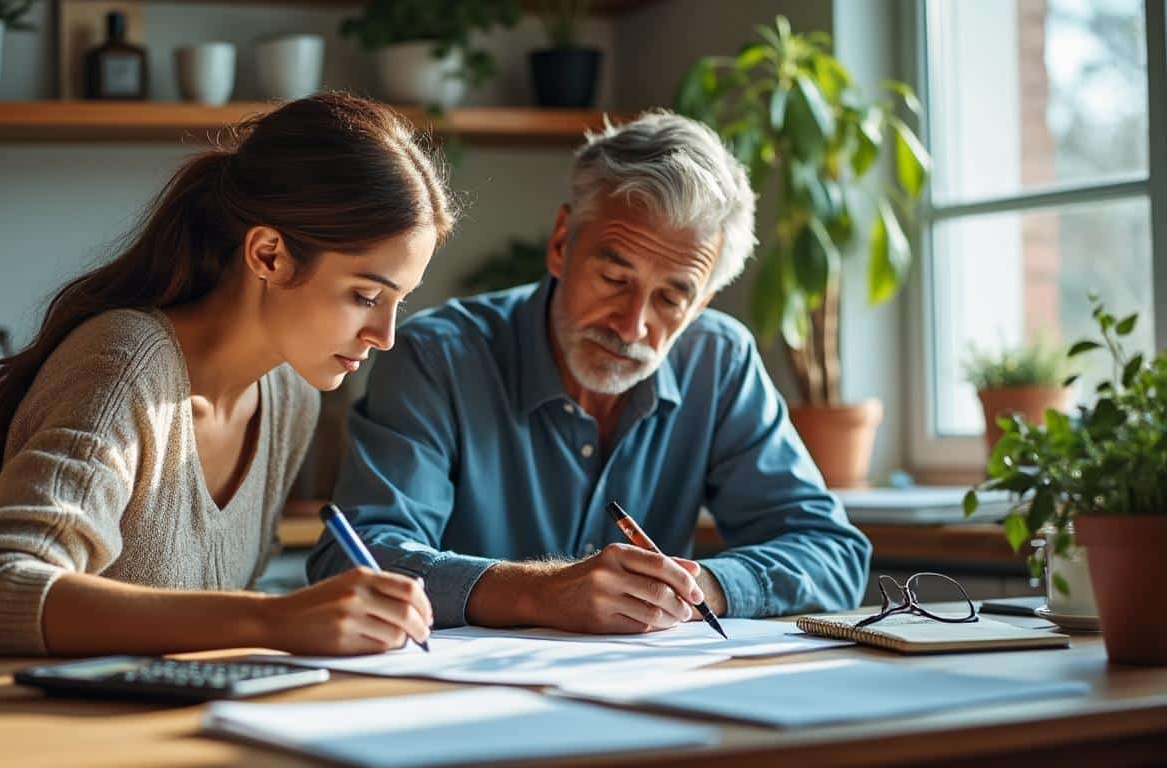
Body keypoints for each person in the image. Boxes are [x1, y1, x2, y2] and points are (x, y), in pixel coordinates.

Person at [0, 94, 448, 659]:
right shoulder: (126, 367)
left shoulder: (290, 397)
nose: (385, 336)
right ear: (268, 255)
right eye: (366, 296)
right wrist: (270, 619)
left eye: (399, 302)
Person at [307, 110, 870, 633]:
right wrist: (539, 592)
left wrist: (698, 588)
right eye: (614, 280)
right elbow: (355, 558)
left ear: (701, 303)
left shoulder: (718, 362)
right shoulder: (439, 356)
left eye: (671, 299)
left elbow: (832, 553)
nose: (632, 326)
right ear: (561, 244)